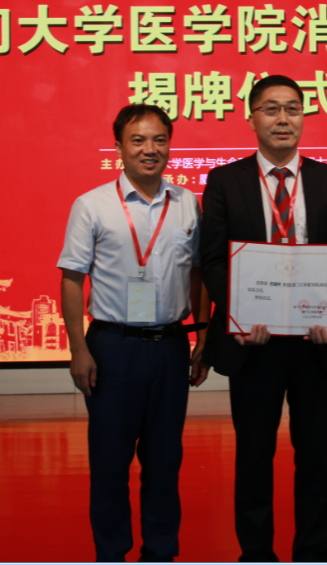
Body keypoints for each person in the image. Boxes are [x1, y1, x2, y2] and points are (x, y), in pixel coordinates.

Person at [200, 74, 327, 563]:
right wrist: (241, 315)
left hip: (315, 341)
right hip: (253, 344)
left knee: (315, 455)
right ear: (252, 118)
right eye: (271, 109)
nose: (283, 119)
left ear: (304, 117)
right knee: (253, 456)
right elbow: (212, 260)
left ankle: (314, 553)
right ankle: (256, 554)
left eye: (292, 108)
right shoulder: (225, 181)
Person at [58, 103, 207, 562]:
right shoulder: (92, 205)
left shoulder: (187, 203)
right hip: (112, 348)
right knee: (109, 463)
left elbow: (197, 274)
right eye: (138, 140)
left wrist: (202, 338)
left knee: (164, 462)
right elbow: (72, 278)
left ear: (170, 145)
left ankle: (160, 554)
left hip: (170, 346)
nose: (150, 149)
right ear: (119, 147)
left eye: (159, 140)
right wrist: (78, 349)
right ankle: (111, 554)